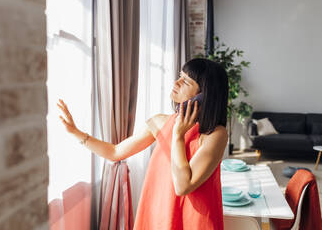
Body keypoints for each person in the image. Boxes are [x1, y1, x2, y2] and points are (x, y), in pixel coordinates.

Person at [58, 58, 229, 229]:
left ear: (203, 96)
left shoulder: (215, 135)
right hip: (159, 216)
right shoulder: (159, 123)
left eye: (185, 81)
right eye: (179, 76)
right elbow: (115, 152)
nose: (176, 82)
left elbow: (183, 186)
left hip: (195, 223)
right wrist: (76, 132)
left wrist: (177, 135)